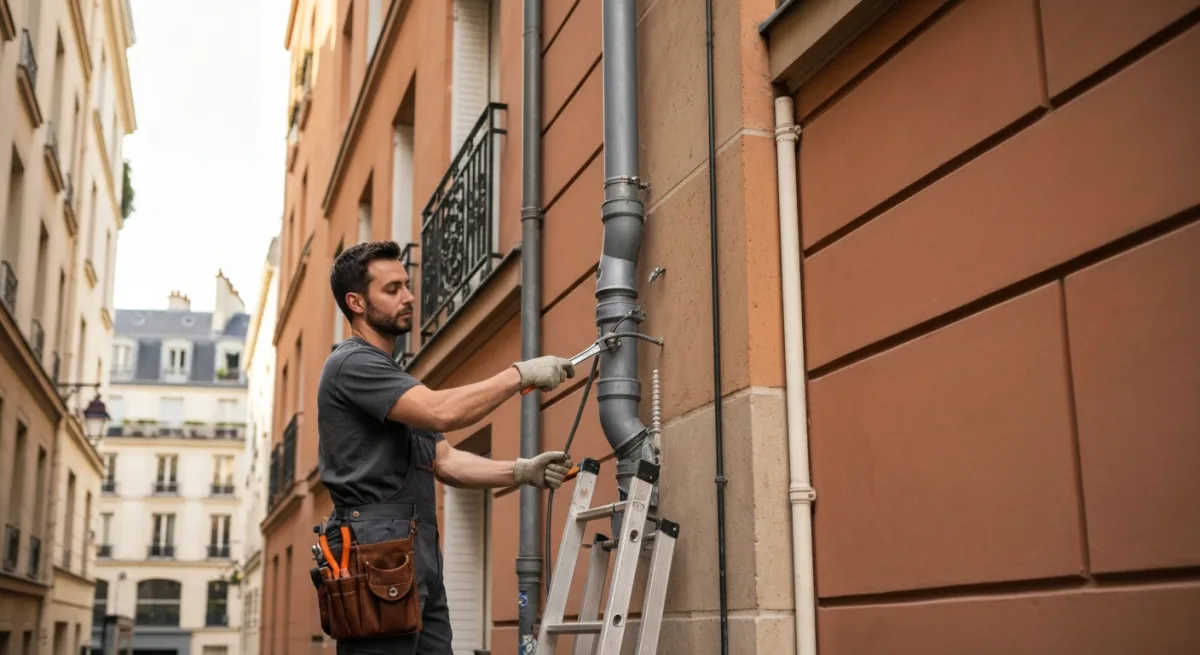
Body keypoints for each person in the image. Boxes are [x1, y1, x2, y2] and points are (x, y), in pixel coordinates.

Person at [316, 240, 576, 654]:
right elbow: (441, 412)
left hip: (412, 549)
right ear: (356, 302)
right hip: (377, 549)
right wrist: (519, 374)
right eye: (392, 289)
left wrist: (522, 471)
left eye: (407, 285)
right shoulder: (352, 364)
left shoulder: (393, 378)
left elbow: (446, 460)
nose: (409, 296)